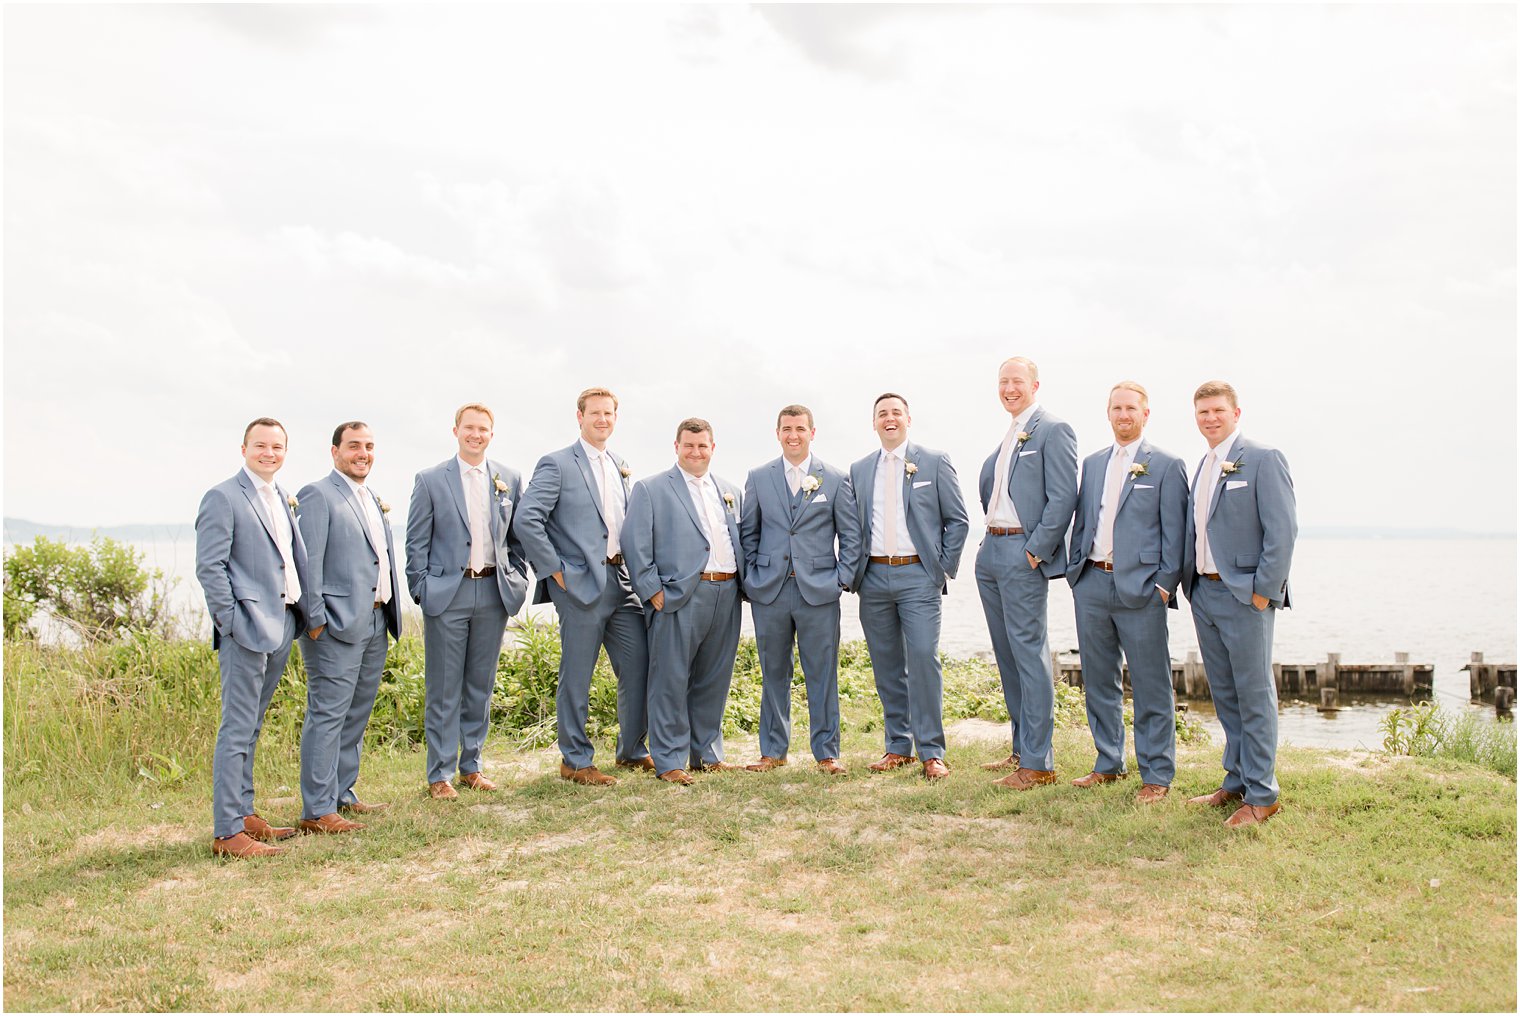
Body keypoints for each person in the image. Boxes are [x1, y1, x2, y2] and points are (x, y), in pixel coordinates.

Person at [513, 387, 651, 787]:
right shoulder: (556, 464)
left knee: (638, 664)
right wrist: (556, 571)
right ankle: (575, 760)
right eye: (595, 413)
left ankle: (631, 749)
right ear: (580, 416)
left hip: (621, 581)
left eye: (609, 413)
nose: (602, 420)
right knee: (578, 674)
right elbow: (527, 520)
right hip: (578, 584)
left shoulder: (621, 464)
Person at [195, 418, 313, 858]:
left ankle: (244, 813)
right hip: (246, 628)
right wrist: (231, 622)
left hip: (283, 621)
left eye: (277, 446)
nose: (269, 452)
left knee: (254, 724)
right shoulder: (223, 497)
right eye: (261, 445)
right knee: (237, 727)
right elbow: (211, 567)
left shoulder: (281, 495)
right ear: (243, 448)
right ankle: (227, 832)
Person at [1182, 380, 1297, 828]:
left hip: (1245, 596)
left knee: (1253, 693)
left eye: (1217, 411)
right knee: (1225, 693)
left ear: (1236, 413)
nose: (1210, 418)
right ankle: (1236, 780)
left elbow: (1282, 530)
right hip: (1204, 592)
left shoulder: (1263, 459)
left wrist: (1262, 591)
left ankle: (1264, 794)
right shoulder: (1204, 464)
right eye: (1202, 412)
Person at [1065, 383, 1187, 802]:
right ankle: (1108, 762)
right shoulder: (1093, 463)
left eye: (1131, 408)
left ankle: (1156, 773)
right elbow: (1084, 520)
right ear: (1108, 413)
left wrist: (1163, 587)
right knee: (1099, 679)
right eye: (1117, 408)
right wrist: (1075, 573)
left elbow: (1177, 534)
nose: (1123, 415)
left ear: (1146, 413)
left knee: (1152, 684)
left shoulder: (1167, 465)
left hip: (1142, 590)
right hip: (1092, 583)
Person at [405, 403, 529, 800]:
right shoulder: (430, 480)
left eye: (483, 429)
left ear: (491, 434)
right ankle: (439, 774)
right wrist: (423, 589)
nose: (476, 434)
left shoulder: (508, 478)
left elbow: (517, 538)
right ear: (456, 430)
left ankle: (471, 766)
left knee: (481, 684)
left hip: (493, 592)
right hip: (448, 594)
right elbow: (415, 543)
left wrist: (518, 579)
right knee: (444, 687)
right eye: (469, 428)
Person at [848, 393, 969, 781]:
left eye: (895, 412)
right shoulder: (860, 469)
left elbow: (959, 520)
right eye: (881, 414)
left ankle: (931, 751)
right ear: (873, 423)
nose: (889, 419)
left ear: (908, 419)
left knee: (922, 658)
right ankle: (897, 746)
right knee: (886, 665)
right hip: (874, 578)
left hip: (918, 576)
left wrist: (941, 568)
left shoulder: (933, 461)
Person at [739, 405, 863, 775]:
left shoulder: (836, 478)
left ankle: (827, 753)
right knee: (773, 671)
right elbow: (749, 533)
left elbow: (851, 536)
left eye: (800, 428)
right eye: (787, 428)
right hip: (771, 592)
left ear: (812, 432)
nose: (794, 435)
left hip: (819, 593)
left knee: (822, 673)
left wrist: (842, 578)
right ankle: (773, 751)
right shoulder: (759, 477)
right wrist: (752, 580)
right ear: (777, 433)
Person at [622, 418, 746, 785]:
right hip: (678, 596)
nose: (696, 452)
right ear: (676, 446)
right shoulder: (651, 488)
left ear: (712, 448)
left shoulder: (728, 491)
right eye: (689, 445)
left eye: (702, 446)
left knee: (714, 676)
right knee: (670, 678)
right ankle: (670, 759)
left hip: (726, 591)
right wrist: (652, 590)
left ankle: (706, 754)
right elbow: (635, 543)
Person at [975, 357, 1078, 791]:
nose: (1009, 388)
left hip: (1022, 551)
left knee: (1029, 654)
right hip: (992, 551)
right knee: (1007, 656)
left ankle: (1039, 763)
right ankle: (1021, 748)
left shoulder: (1053, 430)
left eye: (1017, 381)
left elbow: (1064, 497)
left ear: (1035, 384)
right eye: (1003, 382)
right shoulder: (1011, 432)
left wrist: (1036, 549)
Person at [293, 422, 401, 833]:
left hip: (374, 619)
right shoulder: (318, 495)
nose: (363, 453)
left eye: (370, 446)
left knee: (356, 712)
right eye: (354, 445)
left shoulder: (370, 496)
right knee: (327, 713)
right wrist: (316, 621)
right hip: (335, 625)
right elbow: (308, 562)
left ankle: (342, 793)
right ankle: (317, 810)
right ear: (335, 451)